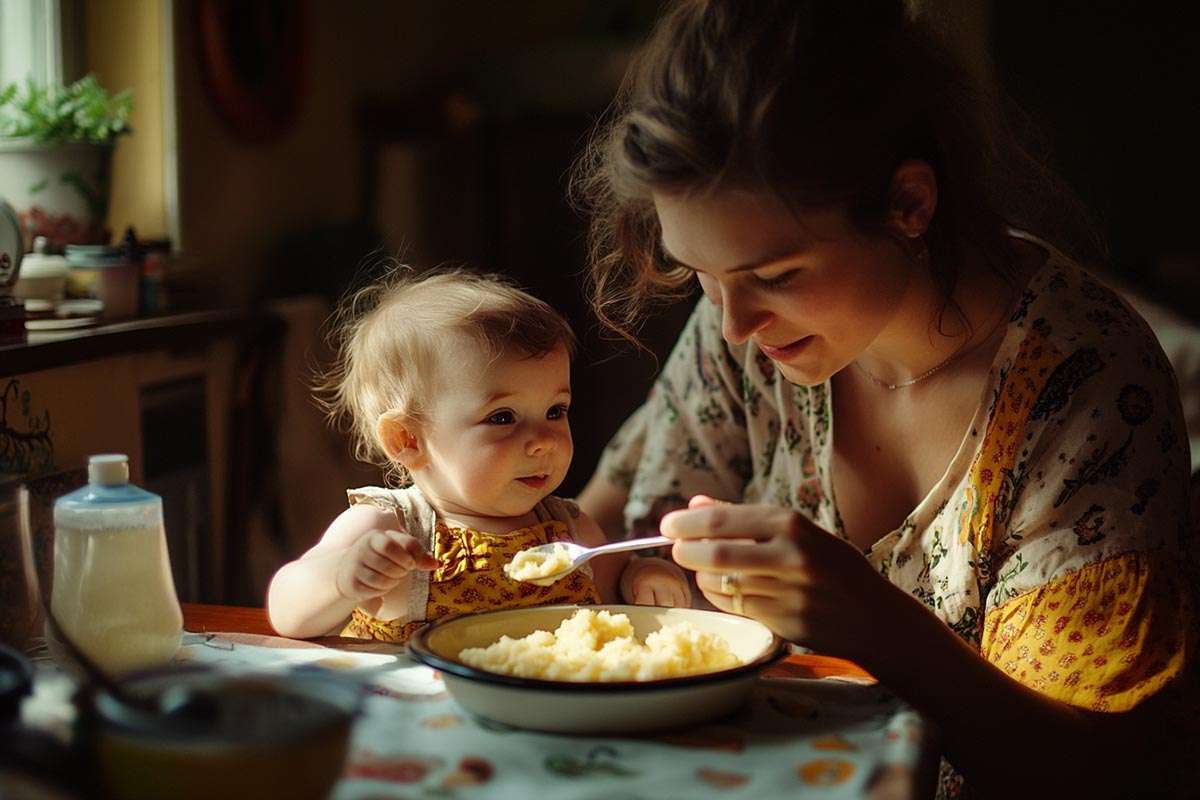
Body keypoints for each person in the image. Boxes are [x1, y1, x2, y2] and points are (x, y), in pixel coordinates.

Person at [571, 0, 1197, 796]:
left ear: (910, 205)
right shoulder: (754, 336)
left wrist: (874, 623)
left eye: (776, 276)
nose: (731, 325)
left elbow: (1105, 773)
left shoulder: (1086, 384)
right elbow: (601, 524)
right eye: (701, 273)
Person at [267, 269, 690, 644]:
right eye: (503, 417)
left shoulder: (568, 531)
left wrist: (647, 577)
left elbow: (623, 584)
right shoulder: (392, 527)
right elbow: (287, 609)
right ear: (407, 440)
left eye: (555, 411)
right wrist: (342, 577)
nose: (543, 439)